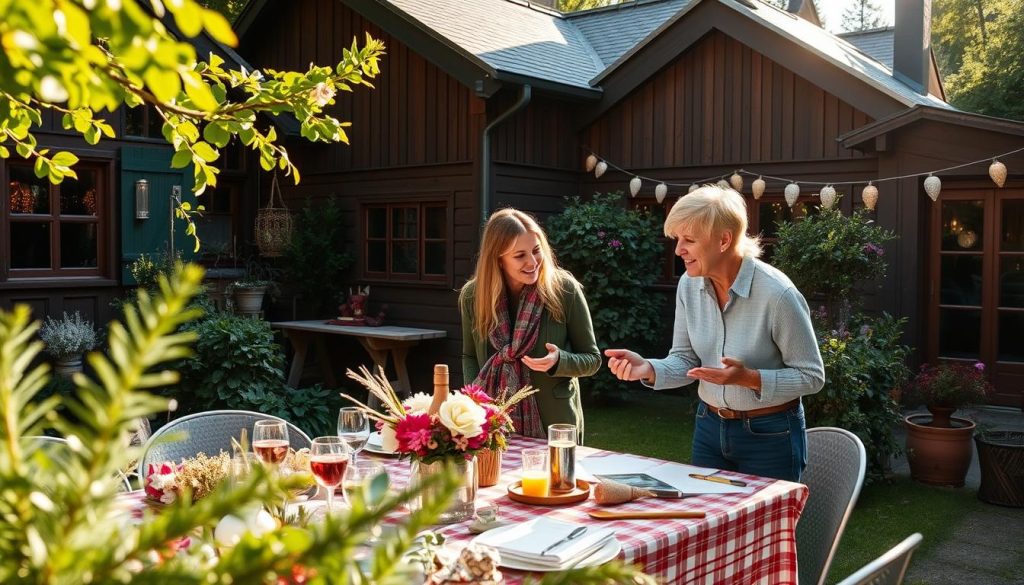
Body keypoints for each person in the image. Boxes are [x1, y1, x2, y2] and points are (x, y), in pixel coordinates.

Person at [605, 185, 824, 481]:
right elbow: (686, 361)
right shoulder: (688, 285)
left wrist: (748, 378)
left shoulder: (778, 294)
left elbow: (812, 376)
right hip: (709, 427)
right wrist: (648, 368)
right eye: (677, 239)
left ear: (723, 240)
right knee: (707, 521)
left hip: (771, 434)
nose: (678, 249)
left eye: (689, 240)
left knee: (763, 527)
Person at [460, 208, 601, 440]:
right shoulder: (472, 296)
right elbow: (469, 356)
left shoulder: (564, 290)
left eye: (536, 251)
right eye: (519, 255)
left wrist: (559, 361)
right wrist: (475, 401)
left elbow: (592, 359)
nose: (532, 262)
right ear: (499, 259)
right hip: (492, 423)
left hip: (555, 424)